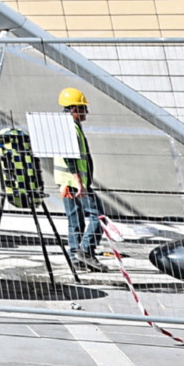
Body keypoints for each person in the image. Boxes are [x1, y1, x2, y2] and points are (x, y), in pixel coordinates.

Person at [54, 87, 103, 266]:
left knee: (75, 220)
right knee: (98, 216)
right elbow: (71, 158)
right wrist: (80, 184)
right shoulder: (70, 129)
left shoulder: (65, 126)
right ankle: (86, 251)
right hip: (75, 184)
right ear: (74, 109)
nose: (86, 112)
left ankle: (76, 257)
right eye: (83, 108)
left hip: (67, 184)